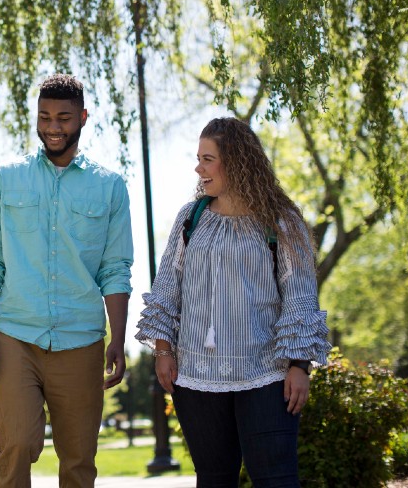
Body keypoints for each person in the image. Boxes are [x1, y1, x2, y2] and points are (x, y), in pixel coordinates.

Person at [136, 117, 330, 487]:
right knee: (213, 480)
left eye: (207, 159)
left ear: (237, 162)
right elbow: (167, 287)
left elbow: (300, 294)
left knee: (277, 480)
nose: (198, 168)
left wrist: (299, 366)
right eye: (198, 158)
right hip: (196, 378)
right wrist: (164, 350)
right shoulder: (189, 219)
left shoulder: (281, 221)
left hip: (267, 374)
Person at [0, 73, 133, 488]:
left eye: (63, 117)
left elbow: (115, 267)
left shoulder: (110, 186)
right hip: (14, 334)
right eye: (44, 117)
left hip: (81, 338)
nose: (53, 127)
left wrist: (118, 338)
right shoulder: (5, 179)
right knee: (16, 447)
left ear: (82, 118)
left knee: (79, 458)